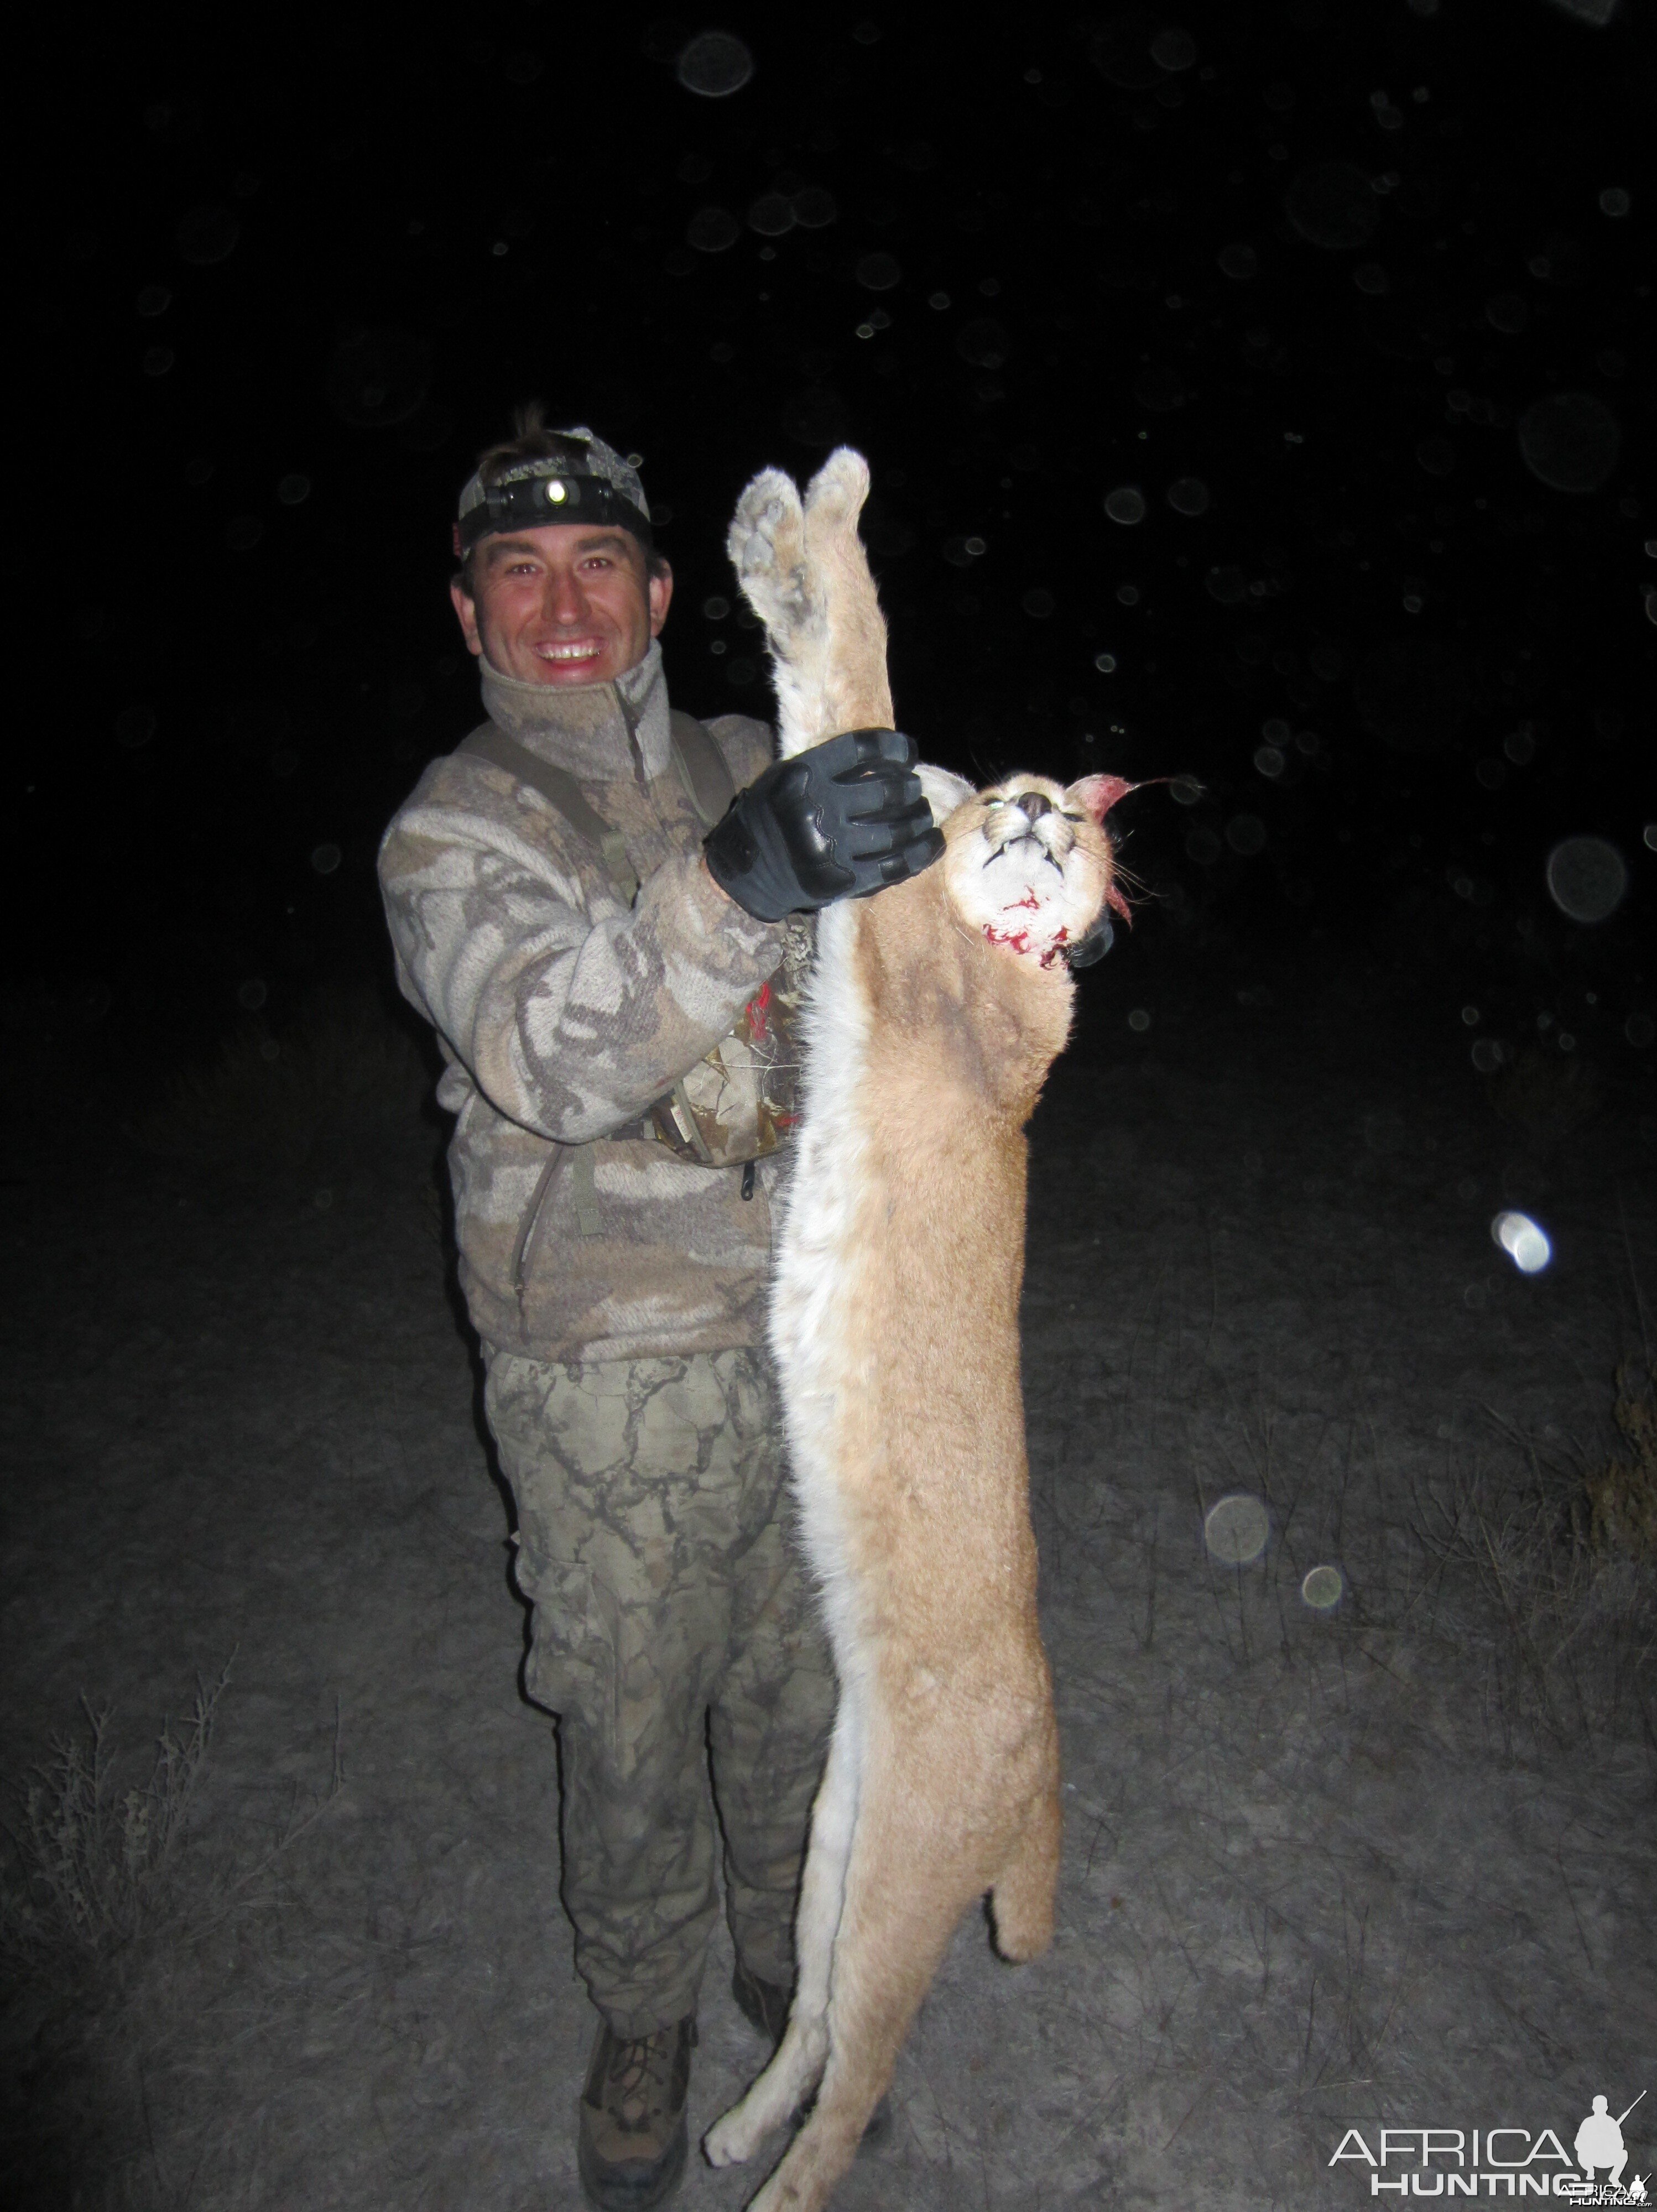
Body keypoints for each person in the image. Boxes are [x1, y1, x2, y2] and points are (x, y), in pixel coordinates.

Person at [377, 409, 942, 2210]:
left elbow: (900, 958)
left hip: (804, 1344)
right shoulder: (453, 829)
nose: (562, 604)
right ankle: (642, 2019)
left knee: (794, 1697)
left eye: (598, 563)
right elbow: (549, 1053)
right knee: (629, 1726)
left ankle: (784, 1974)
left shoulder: (736, 756)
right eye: (518, 574)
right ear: (468, 614)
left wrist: (1024, 898)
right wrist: (742, 880)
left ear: (660, 592)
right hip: (605, 1377)